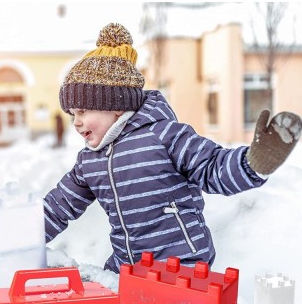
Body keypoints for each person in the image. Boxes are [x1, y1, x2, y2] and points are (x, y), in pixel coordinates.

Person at [43, 23, 302, 274]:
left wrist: (252, 163)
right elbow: (59, 205)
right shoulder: (89, 161)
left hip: (181, 266)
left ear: (115, 105)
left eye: (83, 111)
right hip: (127, 269)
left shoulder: (164, 135)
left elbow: (212, 167)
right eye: (72, 114)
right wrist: (22, 237)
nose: (76, 122)